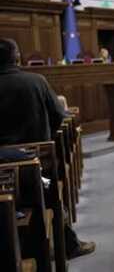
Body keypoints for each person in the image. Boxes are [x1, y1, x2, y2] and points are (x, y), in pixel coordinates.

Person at [0, 38, 96, 258]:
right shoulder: (36, 81)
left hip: (2, 170)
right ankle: (69, 246)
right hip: (35, 167)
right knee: (51, 194)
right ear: (16, 57)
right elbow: (60, 118)